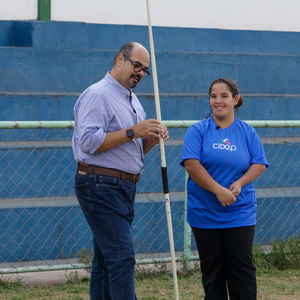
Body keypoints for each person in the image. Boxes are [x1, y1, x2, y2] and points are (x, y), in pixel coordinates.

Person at [72, 42, 169, 300]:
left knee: (106, 261)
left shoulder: (133, 99)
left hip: (124, 186)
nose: (140, 73)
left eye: (145, 70)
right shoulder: (98, 95)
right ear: (119, 59)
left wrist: (150, 138)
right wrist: (133, 131)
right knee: (122, 258)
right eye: (137, 65)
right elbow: (89, 142)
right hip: (100, 183)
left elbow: (132, 149)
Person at [180, 78, 269, 300]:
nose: (217, 101)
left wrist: (239, 183)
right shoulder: (198, 130)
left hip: (240, 212)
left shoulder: (247, 132)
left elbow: (259, 163)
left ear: (235, 100)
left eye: (224, 96)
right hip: (205, 212)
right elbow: (192, 164)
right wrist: (218, 190)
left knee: (242, 269)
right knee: (213, 271)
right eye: (213, 96)